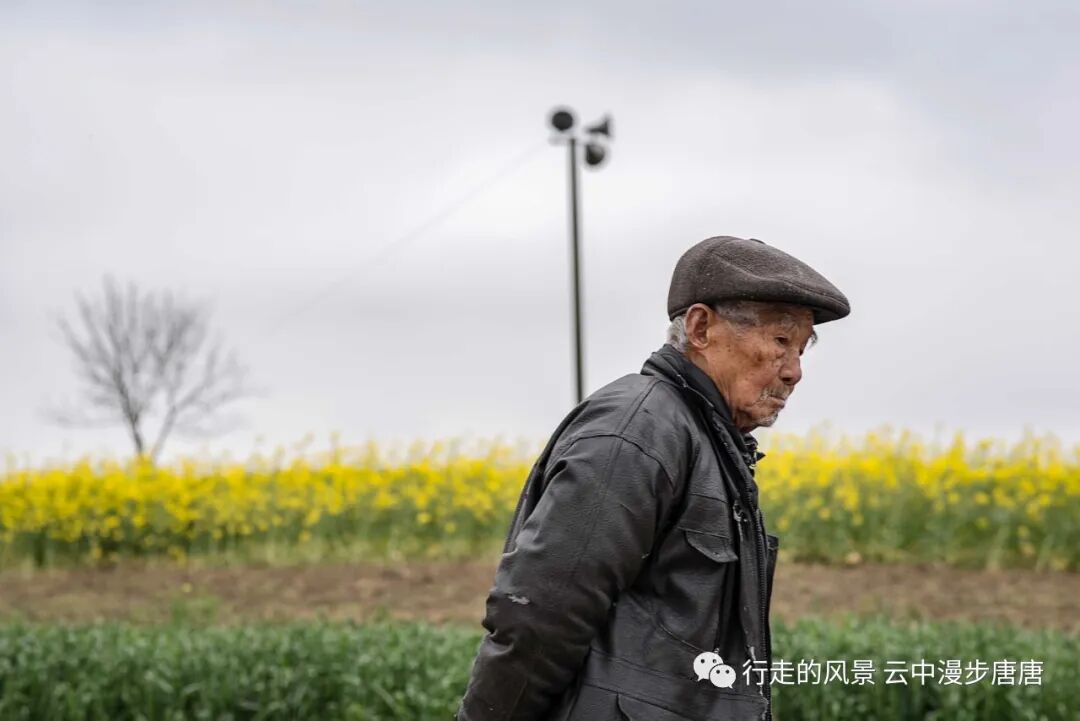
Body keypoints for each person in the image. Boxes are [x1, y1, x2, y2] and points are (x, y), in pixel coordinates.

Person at [455, 235, 851, 721]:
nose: (794, 372)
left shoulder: (708, 441)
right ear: (701, 328)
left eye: (801, 350)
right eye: (780, 342)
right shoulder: (639, 430)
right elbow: (541, 615)